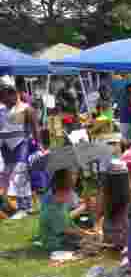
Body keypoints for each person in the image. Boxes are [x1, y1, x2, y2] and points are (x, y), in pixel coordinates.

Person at [1, 76, 40, 219]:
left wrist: (38, 146)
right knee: (7, 176)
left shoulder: (26, 109)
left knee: (20, 174)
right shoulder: (2, 109)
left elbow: (36, 129)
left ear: (13, 94)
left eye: (4, 97)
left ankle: (26, 207)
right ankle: (16, 206)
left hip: (21, 144)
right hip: (5, 146)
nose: (2, 100)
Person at [34, 168, 96, 254]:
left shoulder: (61, 203)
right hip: (55, 243)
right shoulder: (52, 208)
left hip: (63, 238)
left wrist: (85, 232)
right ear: (63, 191)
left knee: (88, 242)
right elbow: (66, 229)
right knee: (89, 247)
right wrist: (86, 235)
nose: (71, 194)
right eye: (70, 191)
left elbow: (69, 222)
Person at [97, 159, 131, 255]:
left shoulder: (104, 193)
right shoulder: (130, 193)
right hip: (125, 238)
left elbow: (99, 213)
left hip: (108, 236)